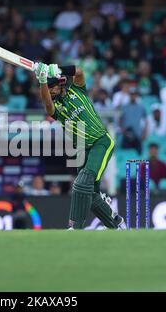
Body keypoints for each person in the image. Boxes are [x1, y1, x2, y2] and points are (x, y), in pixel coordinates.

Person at [34, 61, 125, 230]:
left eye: (53, 87)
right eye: (49, 88)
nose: (51, 91)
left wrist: (59, 68)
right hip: (82, 150)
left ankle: (75, 228)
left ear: (61, 85)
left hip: (100, 142)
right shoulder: (57, 108)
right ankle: (117, 224)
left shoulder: (78, 90)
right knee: (88, 195)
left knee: (82, 184)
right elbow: (47, 104)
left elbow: (80, 71)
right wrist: (42, 81)